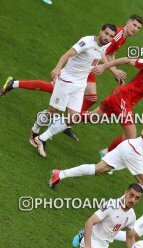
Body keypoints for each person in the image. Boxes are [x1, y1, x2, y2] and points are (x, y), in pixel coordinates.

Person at [1, 16, 143, 142]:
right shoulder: (116, 34)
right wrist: (111, 68)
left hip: (89, 66)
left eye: (138, 27)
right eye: (134, 25)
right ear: (128, 22)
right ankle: (61, 123)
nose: (135, 29)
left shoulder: (121, 38)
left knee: (80, 96)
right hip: (85, 67)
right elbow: (102, 52)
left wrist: (112, 70)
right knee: (64, 91)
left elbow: (108, 53)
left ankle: (66, 122)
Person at [31, 24, 117, 157]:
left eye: (111, 36)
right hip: (66, 82)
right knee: (52, 112)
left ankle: (42, 139)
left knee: (73, 118)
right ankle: (35, 129)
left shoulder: (105, 44)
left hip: (80, 85)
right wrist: (57, 68)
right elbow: (68, 53)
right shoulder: (87, 42)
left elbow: (103, 53)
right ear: (100, 31)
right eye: (106, 33)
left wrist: (105, 66)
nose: (107, 37)